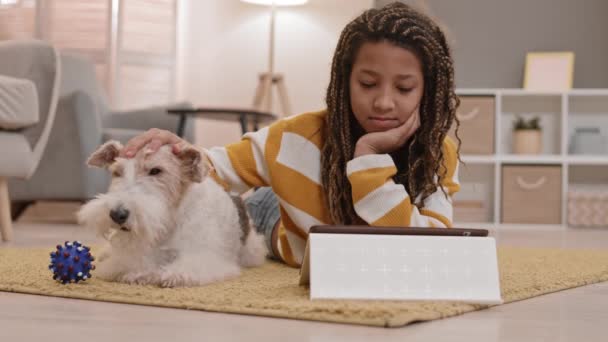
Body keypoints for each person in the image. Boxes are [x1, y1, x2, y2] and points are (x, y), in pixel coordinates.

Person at [120, 1, 461, 268]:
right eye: (368, 84)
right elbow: (212, 169)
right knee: (243, 208)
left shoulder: (437, 154)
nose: (384, 102)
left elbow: (429, 247)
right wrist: (175, 152)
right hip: (272, 214)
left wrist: (368, 159)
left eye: (404, 88)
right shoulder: (296, 137)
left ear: (426, 92)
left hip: (297, 198)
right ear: (345, 81)